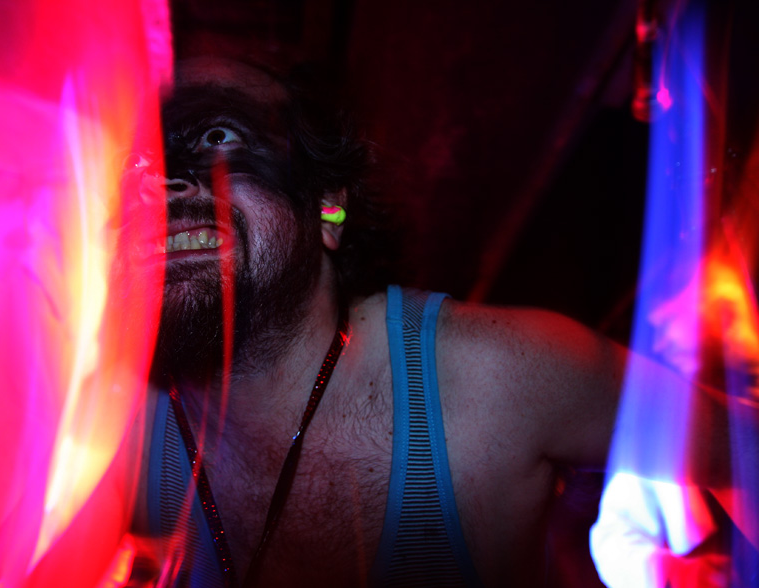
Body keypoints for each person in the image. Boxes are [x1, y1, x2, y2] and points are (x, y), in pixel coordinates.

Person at [118, 56, 736, 588]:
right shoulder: (115, 436)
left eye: (218, 134)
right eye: (135, 163)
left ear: (328, 208)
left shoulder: (499, 378)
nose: (158, 183)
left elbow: (745, 452)